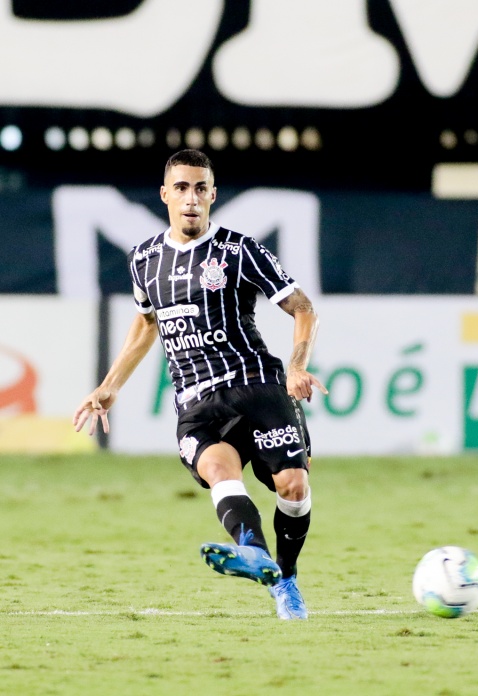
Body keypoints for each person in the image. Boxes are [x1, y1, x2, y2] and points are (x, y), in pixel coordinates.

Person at [73, 149, 326, 621]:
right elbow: (147, 323)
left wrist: (296, 365)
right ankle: (255, 555)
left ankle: (285, 576)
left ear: (212, 194)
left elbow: (303, 308)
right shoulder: (144, 259)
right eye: (182, 188)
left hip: (258, 386)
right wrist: (110, 386)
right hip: (197, 400)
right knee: (219, 471)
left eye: (200, 188)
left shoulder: (239, 250)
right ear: (165, 194)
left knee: (292, 488)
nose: (191, 198)